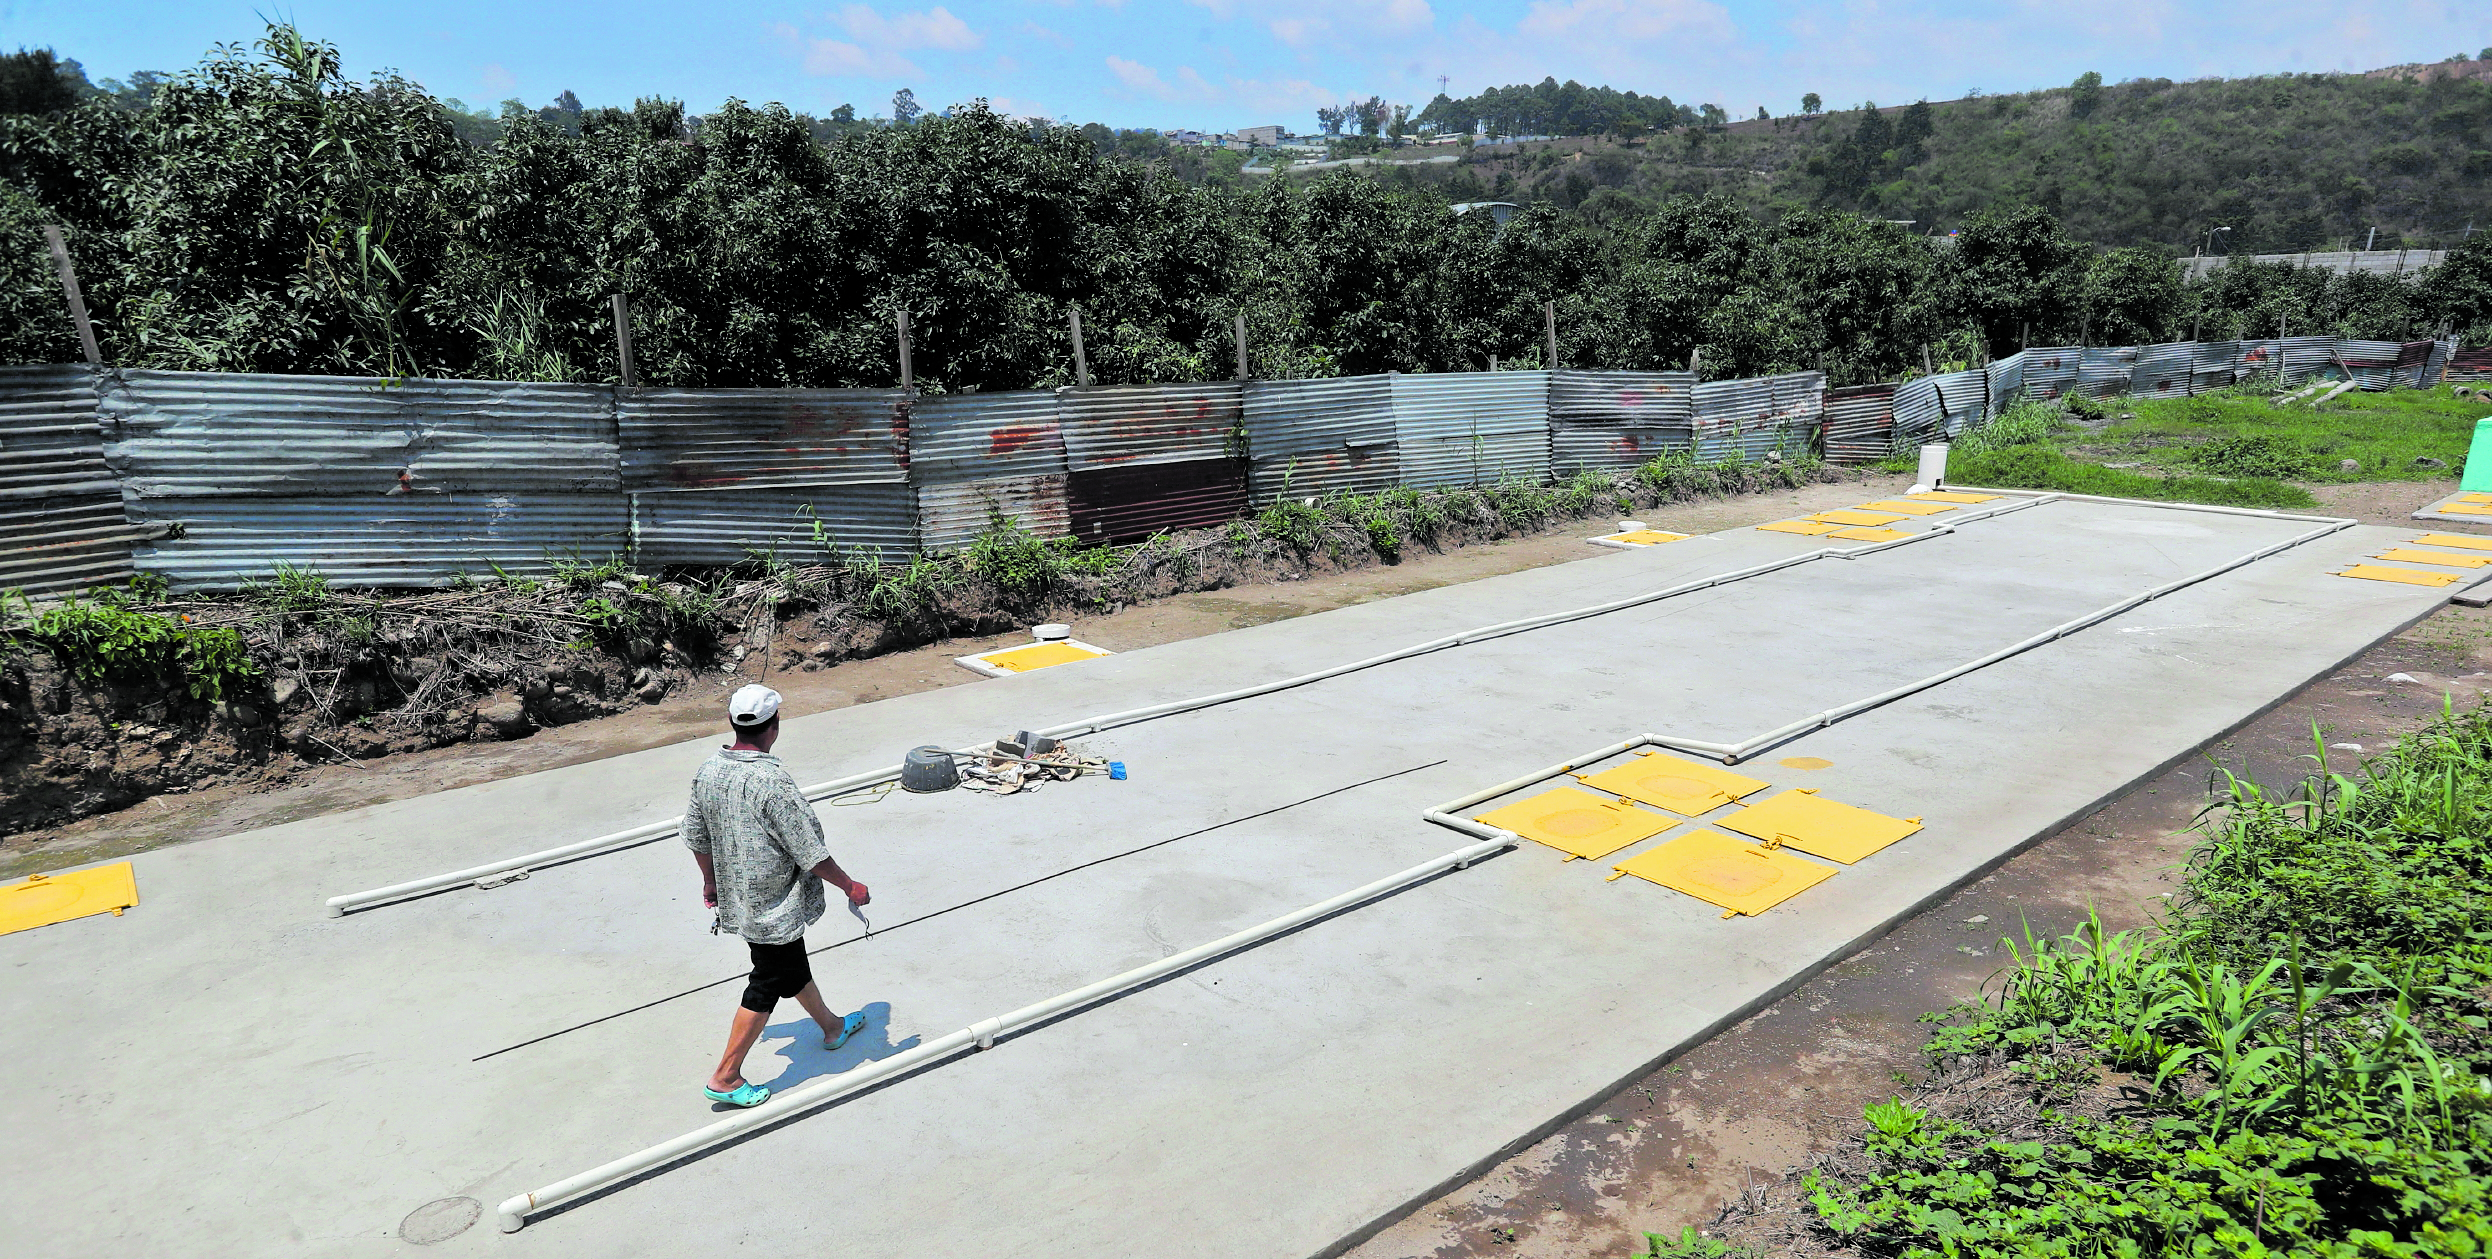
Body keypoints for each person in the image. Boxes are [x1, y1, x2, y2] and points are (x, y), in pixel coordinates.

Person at [683, 683, 872, 1107]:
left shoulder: (708, 771)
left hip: (740, 900)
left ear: (732, 723)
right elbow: (809, 852)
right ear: (776, 725)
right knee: (767, 981)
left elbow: (696, 835)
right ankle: (726, 1075)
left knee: (788, 965)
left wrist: (710, 880)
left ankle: (832, 1027)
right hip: (774, 905)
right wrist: (850, 886)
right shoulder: (772, 781)